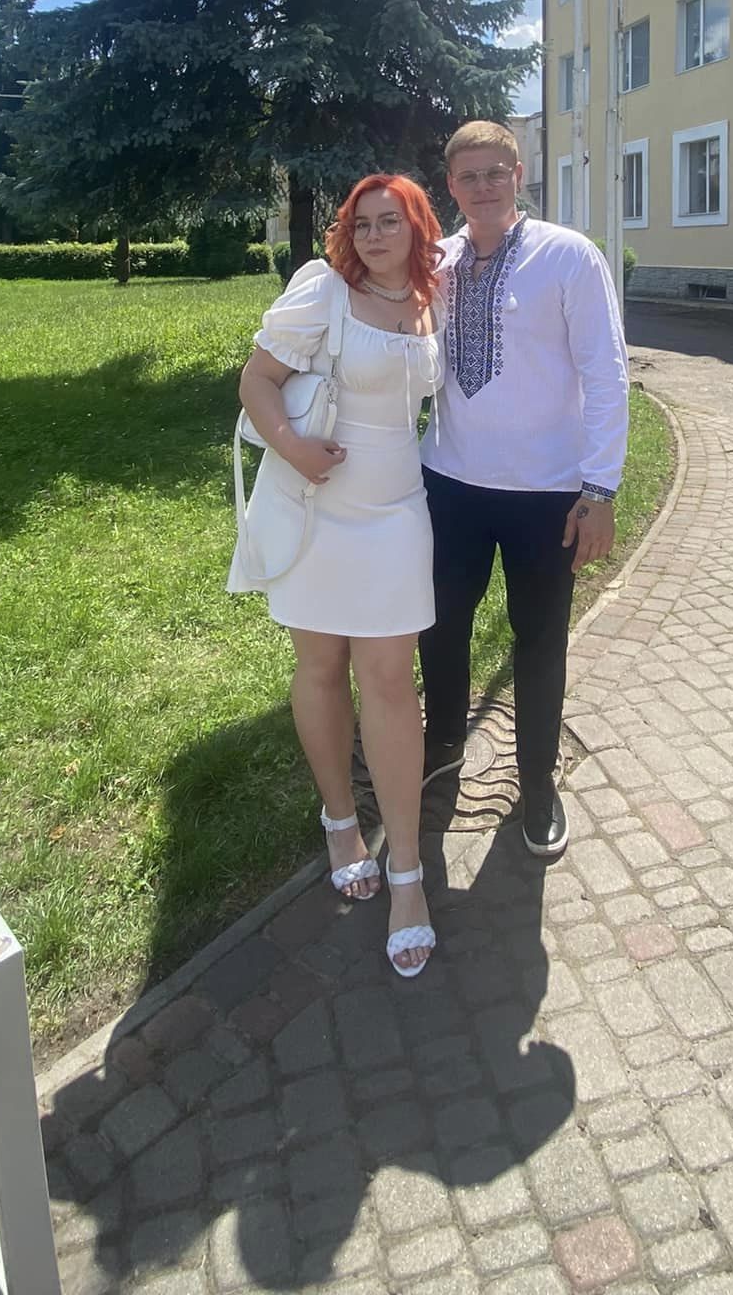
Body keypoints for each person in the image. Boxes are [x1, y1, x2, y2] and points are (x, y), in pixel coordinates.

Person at [230, 175, 445, 976]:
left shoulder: (432, 300)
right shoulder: (322, 290)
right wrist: (292, 449)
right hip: (318, 505)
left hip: (396, 512)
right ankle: (340, 822)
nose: (375, 235)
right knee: (320, 667)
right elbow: (256, 380)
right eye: (362, 224)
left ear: (417, 227)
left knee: (390, 681)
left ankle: (407, 872)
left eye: (391, 221)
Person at [419, 120, 628, 859]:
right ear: (451, 185)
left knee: (539, 639)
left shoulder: (567, 255)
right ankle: (443, 748)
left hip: (547, 493)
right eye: (468, 176)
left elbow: (606, 371)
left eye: (495, 173)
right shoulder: (437, 261)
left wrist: (600, 489)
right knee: (440, 624)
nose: (482, 187)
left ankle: (537, 782)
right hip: (450, 483)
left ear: (519, 175)